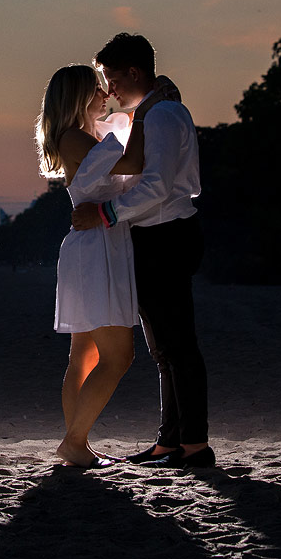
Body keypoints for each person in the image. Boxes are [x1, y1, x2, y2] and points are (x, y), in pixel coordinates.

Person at [71, 33, 212, 470]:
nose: (109, 90)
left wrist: (105, 213)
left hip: (168, 235)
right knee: (163, 348)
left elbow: (158, 186)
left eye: (112, 79)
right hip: (152, 237)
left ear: (134, 72)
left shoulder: (166, 114)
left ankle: (192, 445)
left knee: (178, 345)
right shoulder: (151, 113)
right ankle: (170, 442)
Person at [35, 64, 169, 469]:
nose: (104, 95)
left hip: (93, 246)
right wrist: (145, 112)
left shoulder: (81, 136)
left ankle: (76, 444)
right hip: (97, 250)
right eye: (95, 90)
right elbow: (132, 161)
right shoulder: (74, 138)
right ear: (76, 96)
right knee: (118, 356)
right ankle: (74, 441)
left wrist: (128, 119)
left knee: (84, 356)